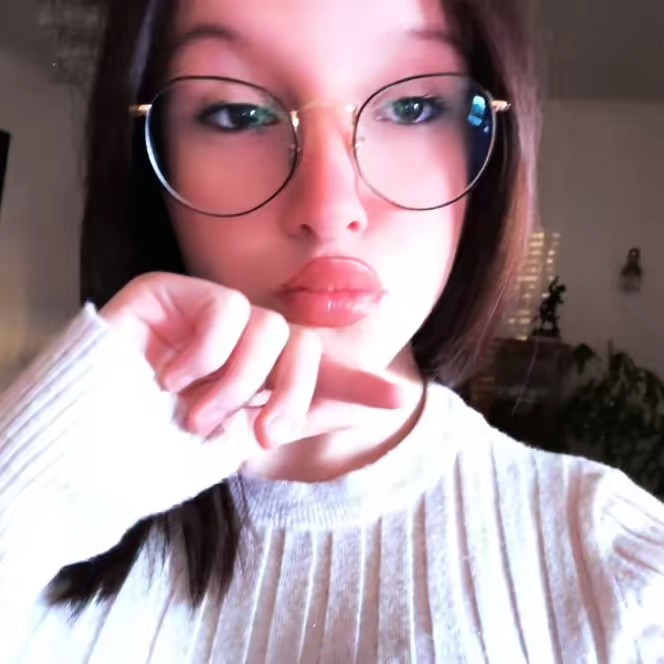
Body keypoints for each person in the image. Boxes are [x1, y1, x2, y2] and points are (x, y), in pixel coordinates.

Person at [0, 0, 662, 660]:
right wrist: (22, 492)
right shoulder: (37, 500)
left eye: (412, 107)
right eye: (238, 114)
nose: (328, 206)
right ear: (152, 164)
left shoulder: (628, 583)